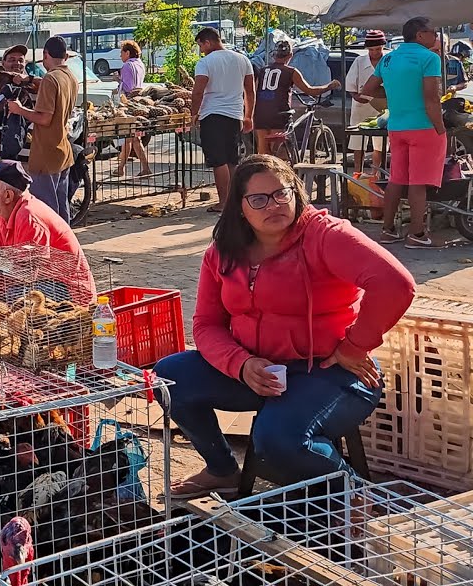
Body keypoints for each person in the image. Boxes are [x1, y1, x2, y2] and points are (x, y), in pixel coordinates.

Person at [154, 155, 414, 496]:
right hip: (260, 372)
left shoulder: (326, 235)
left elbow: (396, 284)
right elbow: (206, 325)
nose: (272, 205)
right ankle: (221, 470)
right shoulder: (223, 252)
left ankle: (352, 494)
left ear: (297, 194)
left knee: (277, 440)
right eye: (258, 199)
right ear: (240, 207)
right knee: (168, 378)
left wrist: (354, 345)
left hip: (328, 372)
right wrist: (242, 364)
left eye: (281, 194)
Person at [0, 160, 94, 301]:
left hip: (70, 291)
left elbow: (26, 275)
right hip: (41, 281)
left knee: (12, 295)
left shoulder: (29, 216)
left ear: (7, 196)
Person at [361, 16, 446, 249]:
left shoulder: (388, 59)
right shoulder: (430, 58)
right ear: (420, 35)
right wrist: (440, 127)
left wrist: (395, 93)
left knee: (397, 179)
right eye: (433, 33)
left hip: (396, 128)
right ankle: (417, 234)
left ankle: (388, 230)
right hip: (424, 127)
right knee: (418, 183)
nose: (436, 37)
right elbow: (432, 97)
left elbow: (367, 90)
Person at [8, 36, 77, 221]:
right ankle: (65, 247)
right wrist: (29, 79)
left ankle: (51, 249)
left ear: (45, 54)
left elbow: (44, 119)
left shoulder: (50, 79)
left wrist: (19, 109)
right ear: (66, 56)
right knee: (62, 210)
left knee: (46, 212)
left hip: (46, 154)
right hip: (62, 152)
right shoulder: (70, 77)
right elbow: (51, 86)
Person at [191, 27, 256, 212]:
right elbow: (250, 90)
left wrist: (194, 114)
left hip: (212, 115)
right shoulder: (242, 59)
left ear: (208, 42)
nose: (201, 50)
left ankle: (224, 202)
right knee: (231, 160)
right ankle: (234, 201)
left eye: (200, 45)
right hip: (235, 115)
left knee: (218, 161)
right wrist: (248, 115)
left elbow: (198, 92)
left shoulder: (205, 63)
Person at [252, 39, 341, 157]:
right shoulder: (291, 71)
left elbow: (256, 91)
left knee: (263, 153)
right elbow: (310, 90)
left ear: (273, 55)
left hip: (260, 114)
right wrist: (329, 86)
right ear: (290, 55)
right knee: (280, 154)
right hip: (279, 114)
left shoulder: (263, 71)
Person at [343, 30, 388, 174]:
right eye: (372, 49)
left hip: (383, 107)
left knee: (380, 145)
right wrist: (355, 95)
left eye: (378, 49)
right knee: (358, 143)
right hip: (361, 106)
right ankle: (357, 173)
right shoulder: (359, 61)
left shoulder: (389, 60)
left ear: (383, 47)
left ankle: (375, 174)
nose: (375, 52)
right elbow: (350, 83)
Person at [113, 41, 152, 177]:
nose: (120, 56)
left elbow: (129, 88)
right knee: (132, 138)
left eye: (121, 53)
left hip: (130, 104)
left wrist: (119, 81)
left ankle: (122, 168)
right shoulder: (140, 64)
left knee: (130, 137)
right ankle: (123, 168)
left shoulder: (127, 66)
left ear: (127, 53)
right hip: (140, 102)